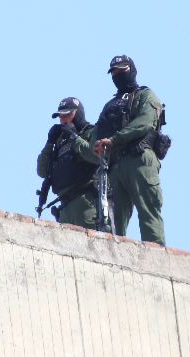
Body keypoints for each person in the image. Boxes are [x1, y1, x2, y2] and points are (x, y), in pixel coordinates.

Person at [82, 55, 166, 245]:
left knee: (148, 210)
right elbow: (97, 130)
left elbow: (143, 123)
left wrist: (112, 140)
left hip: (139, 160)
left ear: (132, 70)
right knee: (112, 222)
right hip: (115, 167)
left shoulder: (145, 95)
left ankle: (156, 257)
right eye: (114, 72)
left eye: (122, 70)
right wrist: (95, 145)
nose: (118, 75)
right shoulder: (110, 105)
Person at [37, 97, 99, 229]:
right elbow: (42, 171)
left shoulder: (91, 132)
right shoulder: (60, 142)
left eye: (68, 115)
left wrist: (74, 138)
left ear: (78, 114)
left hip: (86, 202)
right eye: (61, 116)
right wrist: (49, 144)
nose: (63, 120)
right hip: (65, 206)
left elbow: (95, 156)